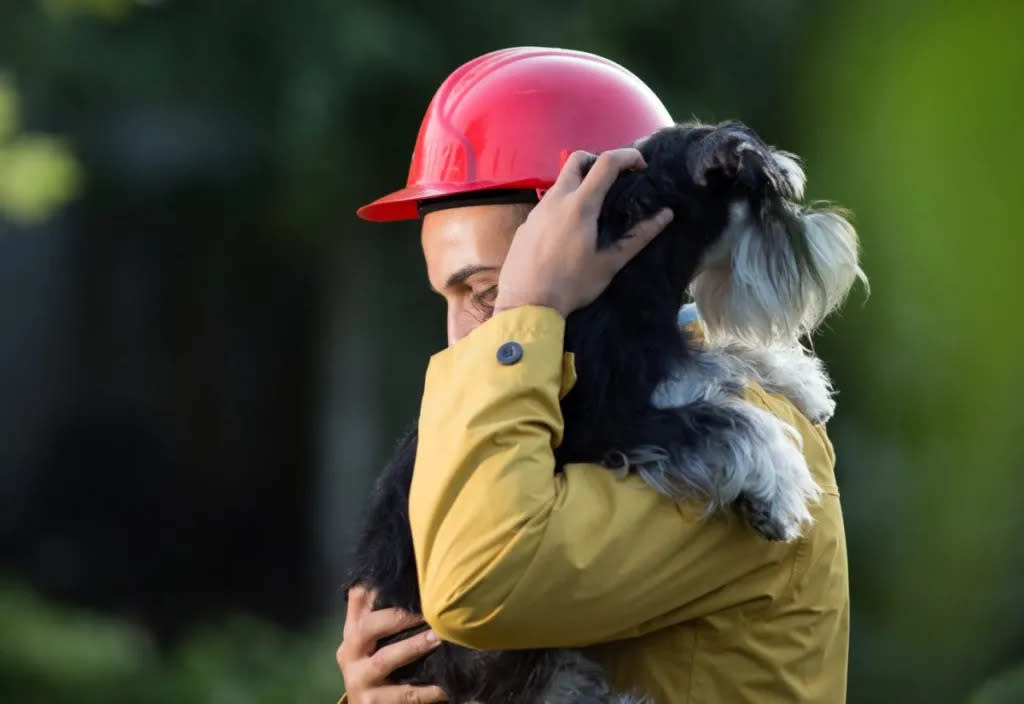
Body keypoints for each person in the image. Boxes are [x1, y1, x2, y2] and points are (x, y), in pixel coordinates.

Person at [336, 47, 849, 703]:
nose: (464, 338)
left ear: (616, 249)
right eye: (448, 297)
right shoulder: (550, 422)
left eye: (490, 292)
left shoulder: (740, 438)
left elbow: (477, 586)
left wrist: (529, 312)